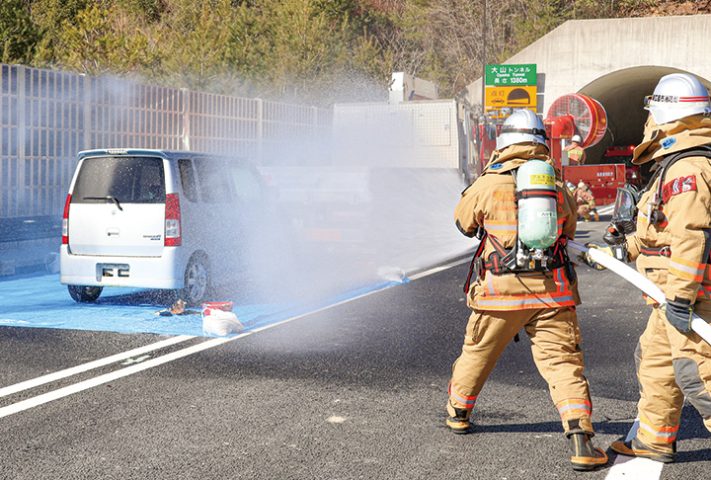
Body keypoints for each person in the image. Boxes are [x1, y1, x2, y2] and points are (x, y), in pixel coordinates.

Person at [446, 109, 607, 471]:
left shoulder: (490, 181)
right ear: (541, 141)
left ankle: (458, 411)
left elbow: (462, 222)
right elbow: (568, 230)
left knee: (478, 353)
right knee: (564, 364)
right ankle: (581, 439)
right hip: (552, 293)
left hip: (499, 293)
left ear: (503, 141)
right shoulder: (554, 184)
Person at [605, 73, 711, 463]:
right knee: (656, 366)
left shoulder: (687, 169)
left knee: (699, 378)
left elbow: (690, 238)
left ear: (664, 113)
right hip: (669, 296)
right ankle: (653, 440)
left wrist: (682, 298)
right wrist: (628, 246)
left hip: (692, 298)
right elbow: (661, 230)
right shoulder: (681, 162)